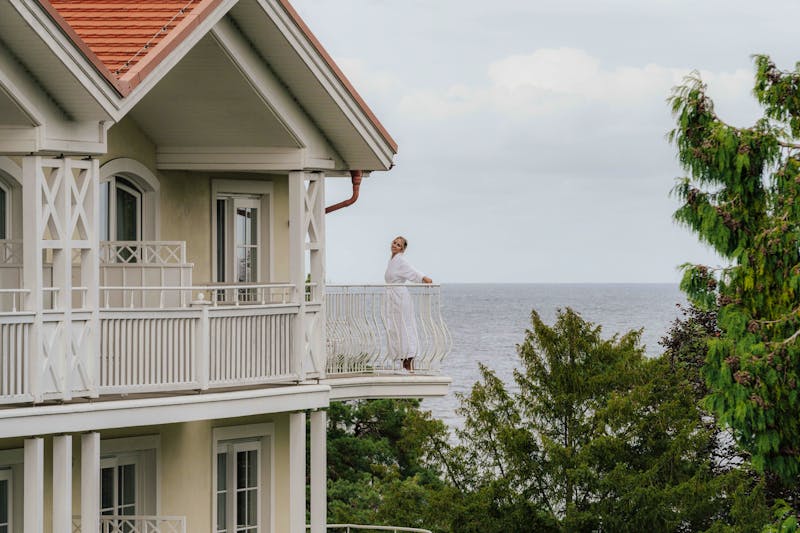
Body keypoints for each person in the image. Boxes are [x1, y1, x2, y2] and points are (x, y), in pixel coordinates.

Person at [384, 236, 432, 372]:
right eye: (394, 242)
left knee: (405, 326)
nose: (395, 245)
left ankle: (409, 361)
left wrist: (424, 278)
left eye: (398, 245)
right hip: (392, 298)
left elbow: (412, 271)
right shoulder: (392, 260)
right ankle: (403, 360)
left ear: (403, 249)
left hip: (400, 297)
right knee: (395, 327)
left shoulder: (401, 261)